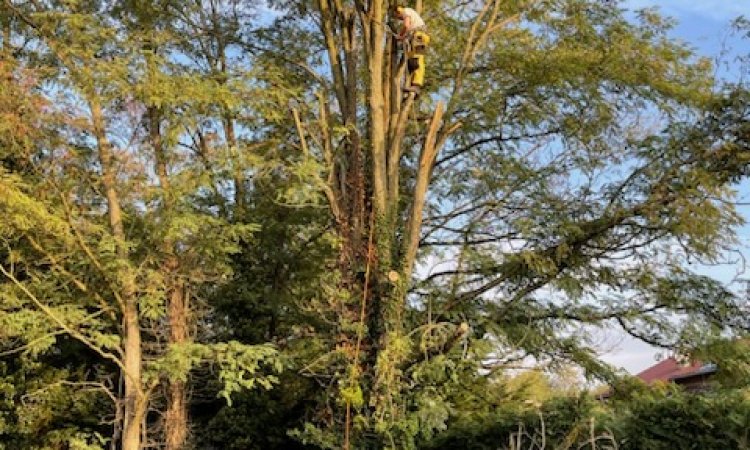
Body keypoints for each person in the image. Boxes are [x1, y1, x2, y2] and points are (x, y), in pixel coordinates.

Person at [392, 5, 430, 93]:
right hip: (416, 37)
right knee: (411, 63)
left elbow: (406, 26)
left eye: (397, 16)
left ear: (398, 11)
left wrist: (400, 36)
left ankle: (416, 86)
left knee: (417, 60)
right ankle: (411, 87)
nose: (399, 19)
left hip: (419, 36)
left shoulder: (406, 11)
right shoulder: (409, 14)